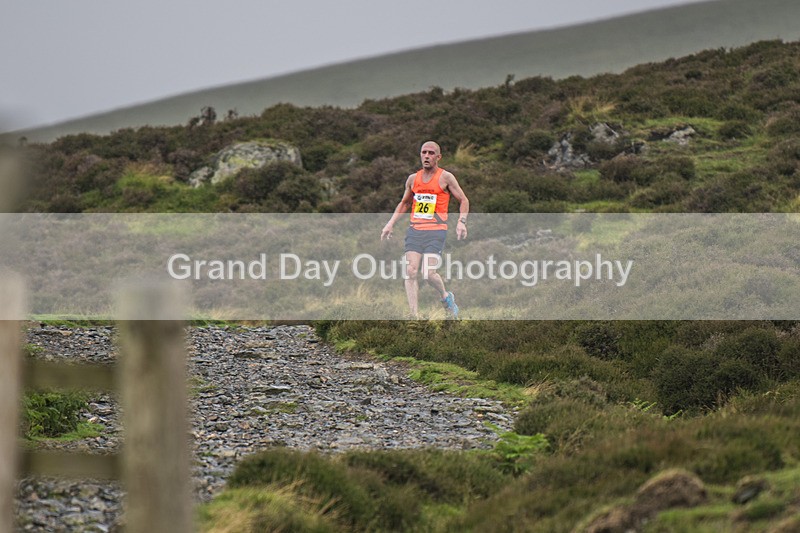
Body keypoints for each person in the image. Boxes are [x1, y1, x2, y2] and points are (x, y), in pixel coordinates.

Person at [381, 141, 469, 319]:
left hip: (436, 231)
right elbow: (405, 203)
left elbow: (463, 200)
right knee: (411, 271)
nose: (427, 156)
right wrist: (390, 224)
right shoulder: (413, 179)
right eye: (424, 152)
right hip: (415, 230)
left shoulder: (446, 177)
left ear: (438, 157)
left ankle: (446, 297)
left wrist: (461, 222)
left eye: (431, 153)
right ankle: (414, 316)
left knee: (428, 274)